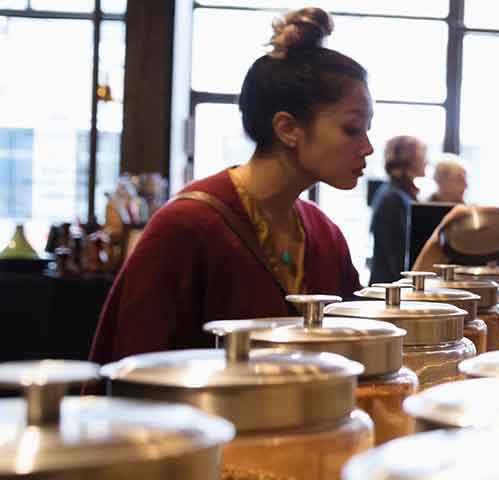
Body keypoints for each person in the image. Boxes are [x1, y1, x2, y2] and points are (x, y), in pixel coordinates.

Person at [90, 7, 370, 363]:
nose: (367, 147)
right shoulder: (186, 226)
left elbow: (361, 348)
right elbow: (129, 373)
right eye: (352, 128)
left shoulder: (323, 234)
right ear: (287, 128)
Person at [368, 135, 427, 284]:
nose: (427, 161)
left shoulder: (399, 193)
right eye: (422, 155)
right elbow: (399, 258)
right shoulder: (393, 197)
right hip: (390, 292)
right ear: (408, 159)